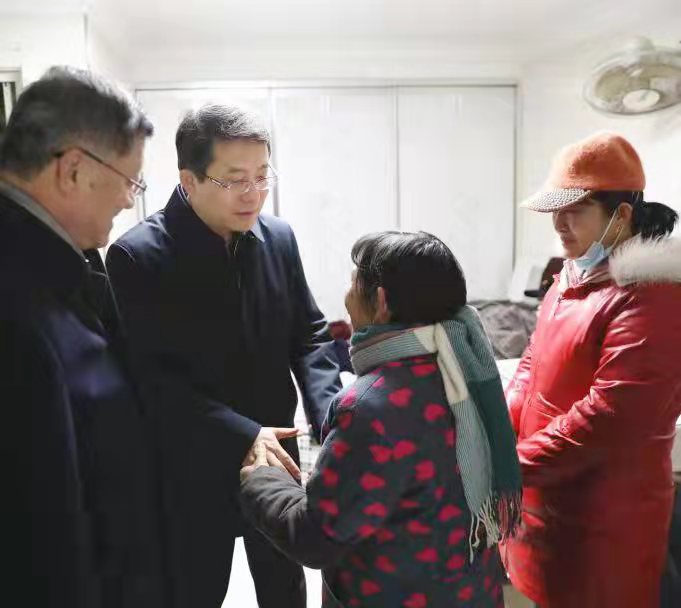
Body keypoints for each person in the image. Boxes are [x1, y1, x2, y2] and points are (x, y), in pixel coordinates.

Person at [106, 104, 342, 608]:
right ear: (188, 180)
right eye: (235, 180)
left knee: (285, 590)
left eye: (262, 176)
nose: (253, 193)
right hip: (191, 462)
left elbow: (310, 334)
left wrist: (330, 415)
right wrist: (242, 432)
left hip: (276, 456)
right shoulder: (137, 256)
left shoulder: (278, 238)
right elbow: (149, 379)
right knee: (194, 590)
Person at [240, 231, 522, 608]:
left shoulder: (370, 407)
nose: (347, 296)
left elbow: (317, 537)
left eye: (353, 281)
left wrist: (262, 477)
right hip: (470, 594)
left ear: (382, 302)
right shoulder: (464, 376)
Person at [0, 66, 164, 608]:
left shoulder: (66, 261)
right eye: (128, 181)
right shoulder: (16, 305)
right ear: (73, 169)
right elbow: (37, 528)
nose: (128, 201)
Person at [501, 131, 681, 608]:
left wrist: (507, 466)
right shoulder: (571, 274)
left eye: (575, 210)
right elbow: (532, 364)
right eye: (555, 211)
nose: (559, 224)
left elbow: (609, 419)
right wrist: (497, 431)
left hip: (603, 521)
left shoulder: (652, 296)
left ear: (620, 215)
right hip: (544, 502)